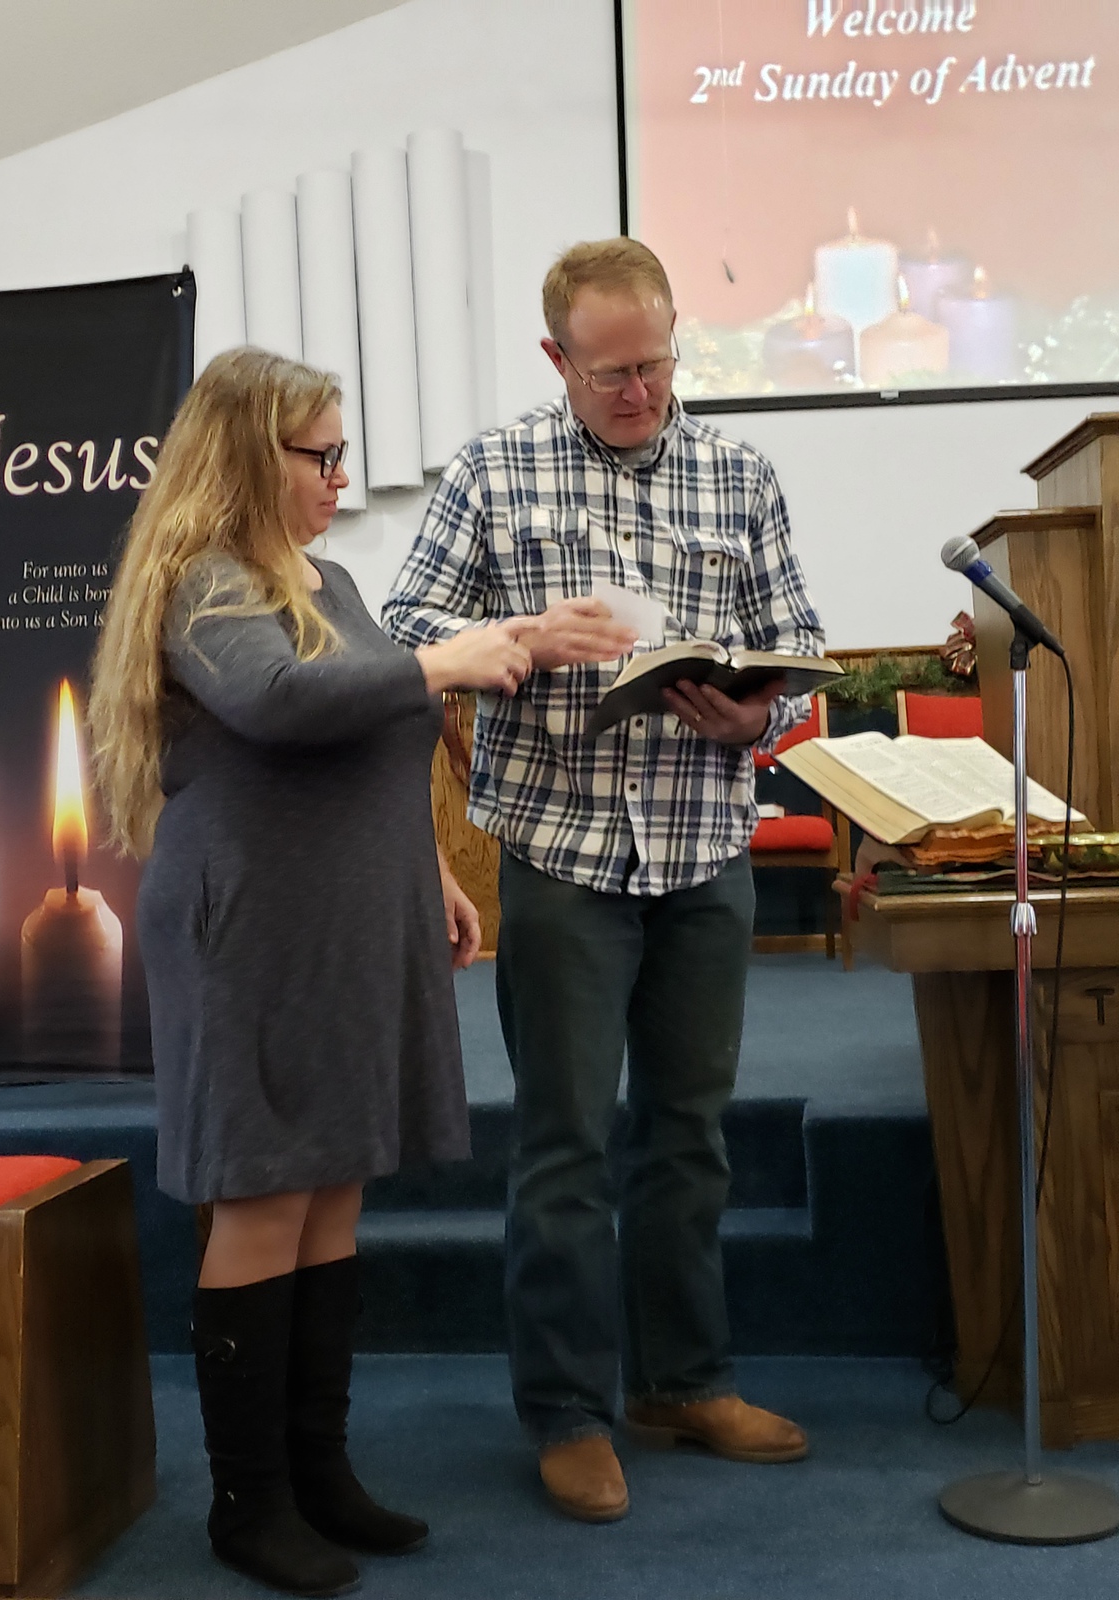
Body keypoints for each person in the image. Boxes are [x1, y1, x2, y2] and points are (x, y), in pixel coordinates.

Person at [382, 239, 824, 1523]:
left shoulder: (741, 473)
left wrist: (764, 725)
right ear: (555, 359)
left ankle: (682, 1380)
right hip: (563, 850)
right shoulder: (492, 469)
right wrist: (518, 636)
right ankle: (567, 1409)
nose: (639, 390)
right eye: (610, 370)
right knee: (566, 1145)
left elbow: (793, 650)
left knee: (689, 1136)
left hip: (703, 842)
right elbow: (403, 630)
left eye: (656, 361)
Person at [88, 347, 531, 1596]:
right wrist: (449, 660)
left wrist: (426, 870)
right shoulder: (198, 582)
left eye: (343, 453)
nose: (342, 477)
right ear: (244, 456)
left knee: (332, 1188)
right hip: (250, 927)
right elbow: (282, 702)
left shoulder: (327, 576)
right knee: (266, 1193)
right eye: (319, 455)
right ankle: (251, 1502)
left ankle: (320, 1471)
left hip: (344, 915)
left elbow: (366, 732)